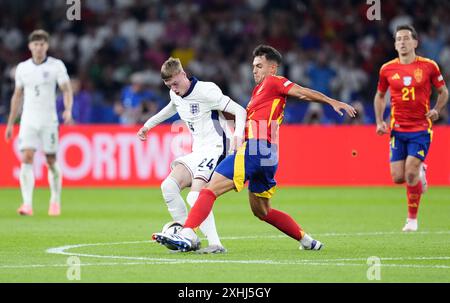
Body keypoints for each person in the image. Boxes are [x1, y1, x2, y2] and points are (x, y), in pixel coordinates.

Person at [153, 45, 356, 252]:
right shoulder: (258, 93)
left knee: (208, 190)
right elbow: (246, 117)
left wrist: (332, 102)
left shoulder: (273, 81)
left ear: (272, 68)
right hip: (268, 155)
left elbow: (302, 93)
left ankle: (187, 233)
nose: (254, 70)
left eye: (259, 66)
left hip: (255, 149)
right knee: (262, 211)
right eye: (253, 66)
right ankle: (307, 241)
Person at [137, 57, 247, 253]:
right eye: (169, 86)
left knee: (195, 196)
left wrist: (238, 135)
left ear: (183, 74)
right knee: (168, 186)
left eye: (176, 83)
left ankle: (216, 244)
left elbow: (239, 110)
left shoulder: (206, 90)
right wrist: (147, 126)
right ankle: (188, 236)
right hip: (198, 151)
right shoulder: (175, 94)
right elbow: (170, 109)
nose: (174, 89)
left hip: (216, 149)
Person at [374, 25, 448, 232]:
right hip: (397, 129)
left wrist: (437, 110)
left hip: (421, 128)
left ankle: (412, 220)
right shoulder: (387, 69)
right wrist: (380, 121)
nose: (402, 42)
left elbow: (443, 92)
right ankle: (421, 172)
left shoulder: (429, 66)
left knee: (410, 173)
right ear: (395, 44)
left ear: (415, 42)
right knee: (398, 177)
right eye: (398, 39)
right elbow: (380, 96)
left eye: (406, 38)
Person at [4, 29, 73, 216]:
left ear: (47, 46)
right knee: (26, 158)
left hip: (49, 120)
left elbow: (67, 89)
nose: (39, 48)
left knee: (51, 161)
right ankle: (27, 204)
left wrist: (68, 109)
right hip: (28, 120)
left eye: (42, 44)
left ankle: (55, 201)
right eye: (35, 44)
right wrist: (10, 124)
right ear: (30, 46)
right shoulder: (22, 68)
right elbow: (17, 96)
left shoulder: (56, 66)